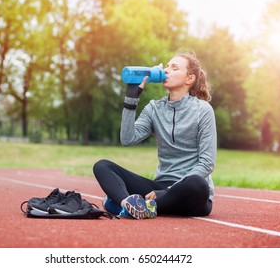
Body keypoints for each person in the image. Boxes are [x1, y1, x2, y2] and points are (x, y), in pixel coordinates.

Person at [93, 52, 217, 219]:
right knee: (102, 166)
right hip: (158, 188)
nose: (166, 70)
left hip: (188, 192)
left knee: (197, 183)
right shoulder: (154, 108)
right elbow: (127, 139)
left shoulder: (203, 110)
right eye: (166, 66)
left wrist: (166, 192)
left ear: (190, 79)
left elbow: (207, 163)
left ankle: (145, 206)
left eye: (174, 68)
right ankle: (127, 205)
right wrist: (131, 97)